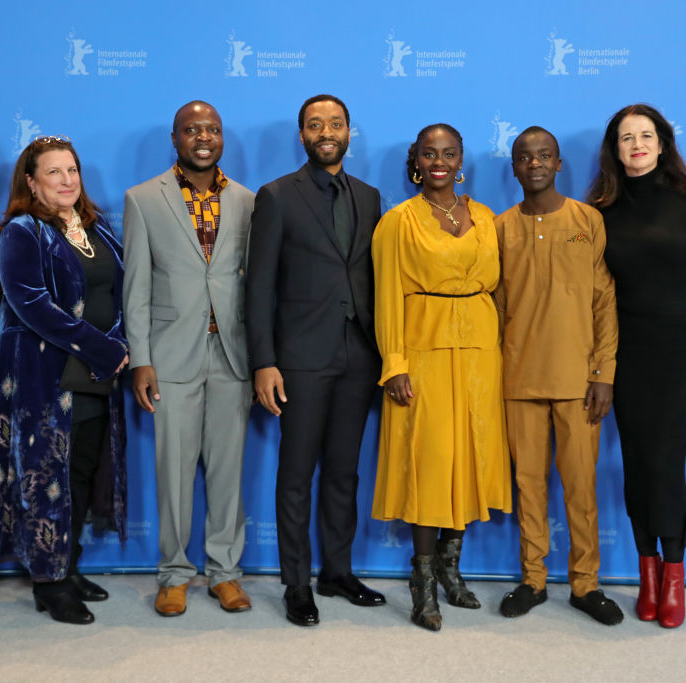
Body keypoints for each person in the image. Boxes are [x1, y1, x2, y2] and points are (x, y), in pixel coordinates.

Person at [587, 104, 686, 628]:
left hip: (683, 350)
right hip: (627, 352)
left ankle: (674, 575)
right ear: (615, 149)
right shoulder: (600, 211)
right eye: (627, 137)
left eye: (646, 135)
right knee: (636, 462)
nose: (637, 144)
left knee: (665, 462)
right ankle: (646, 574)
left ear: (663, 143)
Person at [0, 136, 130, 626]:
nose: (66, 181)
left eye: (72, 171)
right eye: (54, 172)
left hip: (94, 375)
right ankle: (49, 582)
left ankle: (69, 564)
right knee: (45, 476)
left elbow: (120, 292)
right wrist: (105, 348)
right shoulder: (23, 231)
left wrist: (118, 339)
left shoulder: (97, 229)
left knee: (80, 470)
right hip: (42, 377)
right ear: (31, 181)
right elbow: (33, 306)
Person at [245, 94, 385, 627]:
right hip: (299, 359)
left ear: (349, 132)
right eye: (315, 124)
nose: (326, 132)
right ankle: (297, 582)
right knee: (297, 472)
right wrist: (264, 361)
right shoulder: (278, 196)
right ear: (302, 135)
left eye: (336, 123)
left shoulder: (369, 197)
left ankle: (338, 571)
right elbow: (259, 287)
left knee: (344, 471)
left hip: (359, 356)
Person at [371, 123, 511, 631]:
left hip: (479, 353)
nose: (439, 162)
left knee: (469, 457)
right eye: (429, 154)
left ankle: (453, 570)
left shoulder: (485, 217)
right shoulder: (398, 222)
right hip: (424, 352)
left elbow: (498, 289)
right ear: (416, 161)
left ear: (460, 161)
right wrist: (394, 363)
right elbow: (387, 296)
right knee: (430, 463)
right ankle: (423, 580)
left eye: (448, 153)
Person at [123, 101, 254, 617]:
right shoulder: (142, 199)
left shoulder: (247, 200)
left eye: (213, 129)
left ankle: (225, 573)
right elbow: (136, 287)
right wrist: (141, 358)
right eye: (192, 129)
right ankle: (174, 575)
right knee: (173, 472)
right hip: (170, 355)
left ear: (222, 138)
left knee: (227, 472)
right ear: (175, 138)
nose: (204, 137)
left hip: (232, 355)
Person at [493, 126, 623, 625]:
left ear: (559, 163)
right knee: (528, 487)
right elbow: (496, 307)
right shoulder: (500, 228)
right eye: (525, 157)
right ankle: (533, 579)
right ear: (514, 168)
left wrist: (603, 372)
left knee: (581, 488)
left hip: (579, 383)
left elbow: (603, 300)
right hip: (519, 379)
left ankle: (585, 584)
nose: (535, 164)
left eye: (544, 155)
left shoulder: (587, 220)